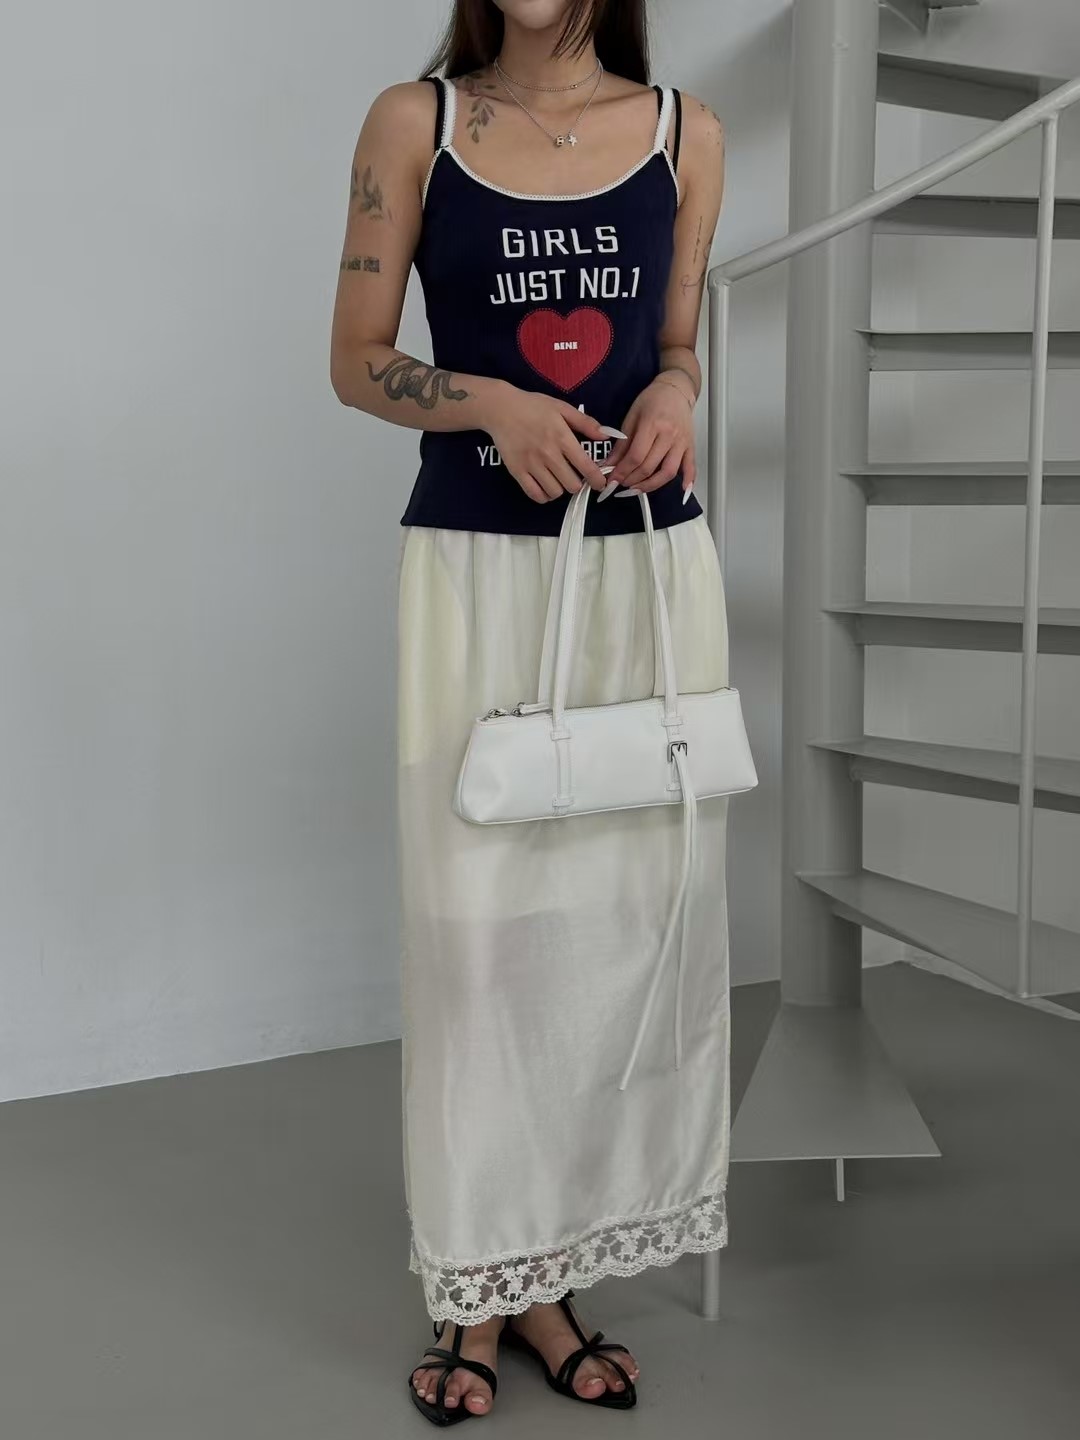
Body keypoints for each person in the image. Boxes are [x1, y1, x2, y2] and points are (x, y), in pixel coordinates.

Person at [330, 0, 730, 1423]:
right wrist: (492, 404)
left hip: (641, 573)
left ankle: (548, 1275)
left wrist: (676, 389)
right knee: (476, 937)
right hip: (478, 575)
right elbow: (355, 357)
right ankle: (476, 1288)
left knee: (607, 933)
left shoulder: (684, 134)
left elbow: (675, 341)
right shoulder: (418, 122)